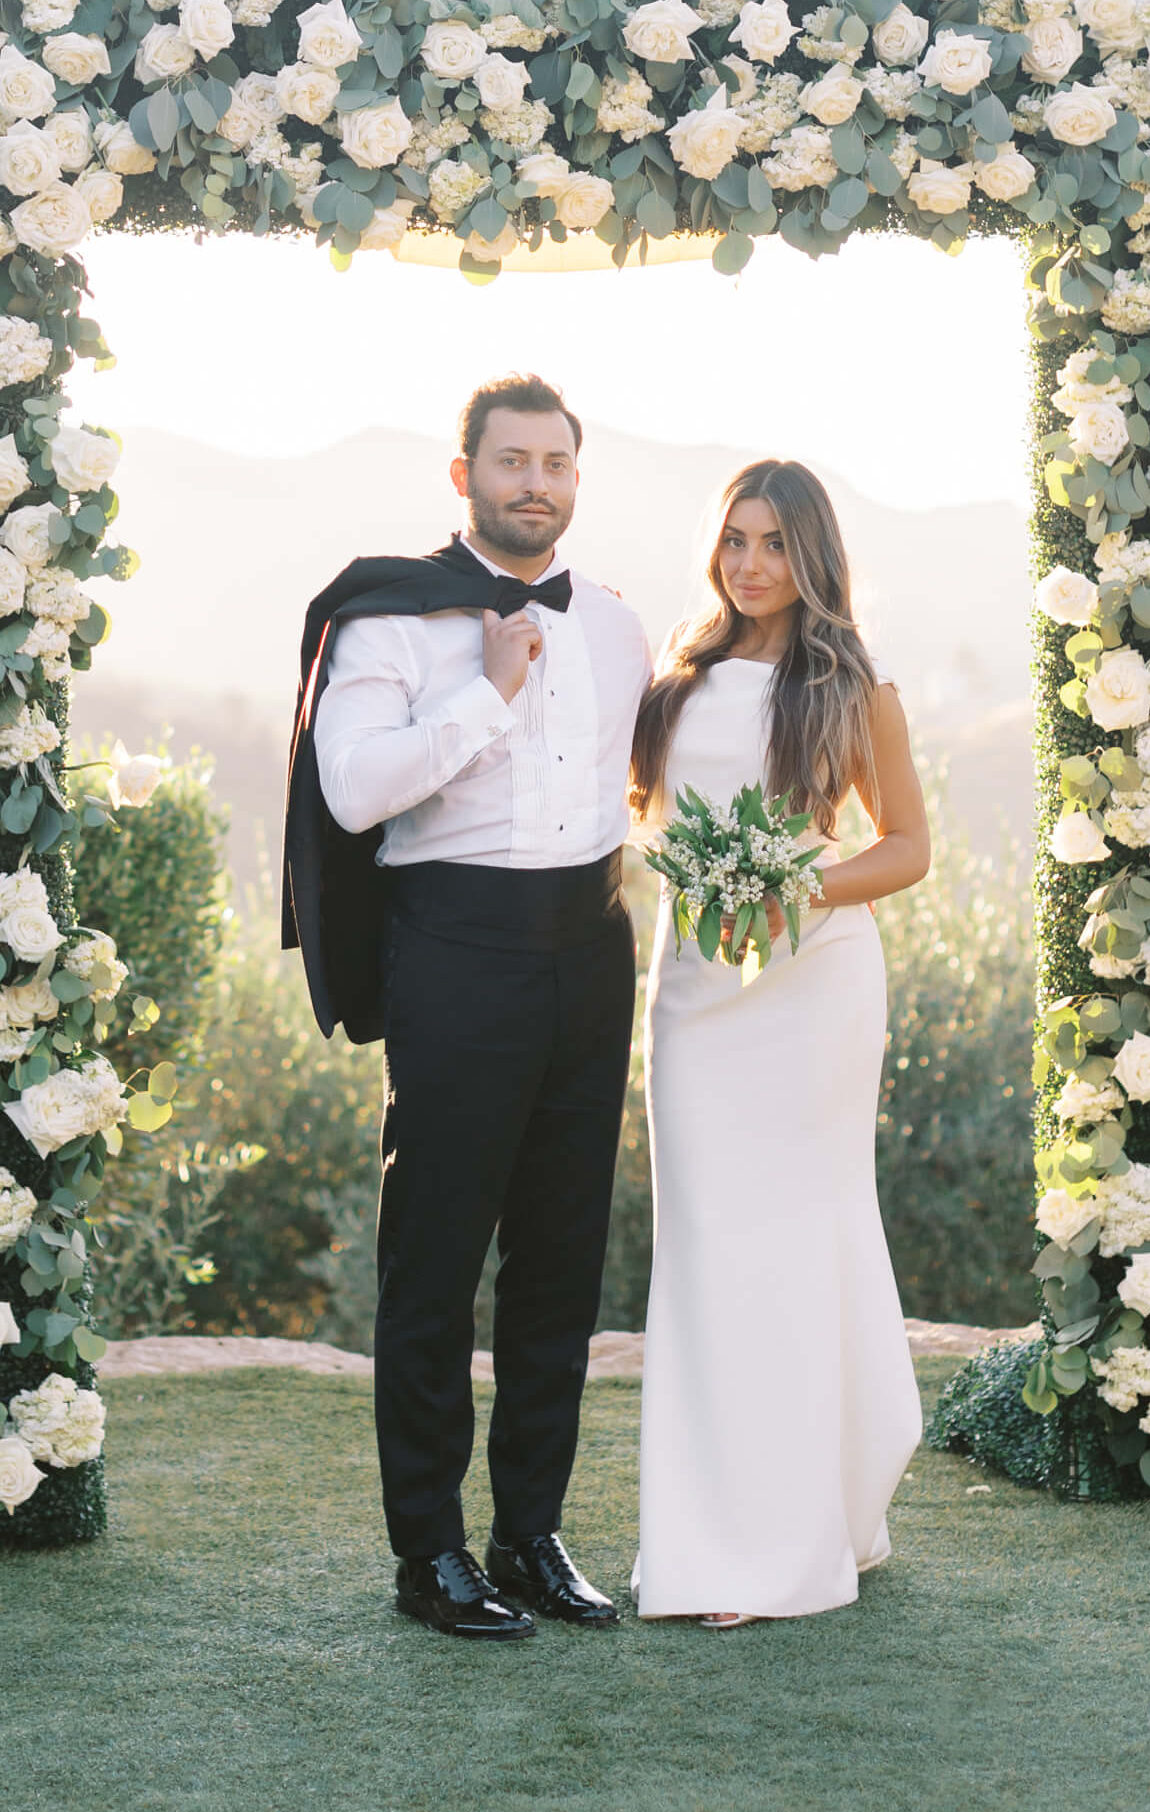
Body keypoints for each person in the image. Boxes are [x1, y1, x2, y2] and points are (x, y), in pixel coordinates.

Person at [287, 374, 651, 1641]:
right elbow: (352, 791)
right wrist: (485, 691)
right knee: (435, 1261)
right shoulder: (387, 621)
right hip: (453, 946)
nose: (533, 482)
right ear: (463, 474)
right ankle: (429, 1554)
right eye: (510, 460)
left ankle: (531, 1533)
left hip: (591, 948)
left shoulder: (615, 626)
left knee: (561, 1259)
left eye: (554, 461)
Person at [630, 459, 930, 1626]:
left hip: (811, 996)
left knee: (796, 1246)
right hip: (696, 997)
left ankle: (776, 1548)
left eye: (770, 543)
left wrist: (796, 888)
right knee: (706, 1253)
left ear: (810, 553)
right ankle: (715, 1532)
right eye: (733, 541)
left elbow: (905, 848)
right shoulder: (678, 672)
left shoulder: (851, 683)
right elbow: (641, 815)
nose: (747, 565)